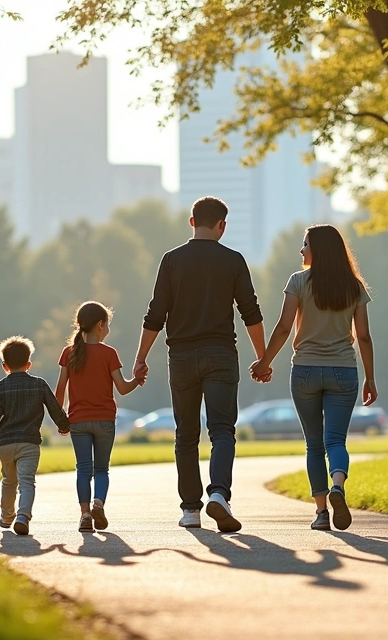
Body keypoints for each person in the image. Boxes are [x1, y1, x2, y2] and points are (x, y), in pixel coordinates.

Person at [134, 196, 267, 533]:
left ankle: (190, 509)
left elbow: (156, 314)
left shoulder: (171, 260)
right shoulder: (233, 260)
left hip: (180, 357)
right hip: (222, 354)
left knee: (186, 434)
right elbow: (250, 311)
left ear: (191, 222)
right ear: (222, 226)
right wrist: (262, 358)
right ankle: (219, 494)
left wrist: (140, 359)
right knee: (222, 430)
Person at [251, 224, 376, 531]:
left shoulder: (298, 281)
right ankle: (338, 485)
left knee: (313, 445)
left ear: (317, 249)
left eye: (305, 244)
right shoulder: (354, 287)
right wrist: (370, 378)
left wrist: (264, 362)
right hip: (344, 371)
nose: (301, 250)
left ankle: (321, 513)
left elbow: (282, 328)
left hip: (305, 370)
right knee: (336, 440)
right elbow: (364, 337)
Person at [54, 301, 147, 533]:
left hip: (78, 421)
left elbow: (60, 389)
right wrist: (137, 379)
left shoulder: (69, 353)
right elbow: (123, 388)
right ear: (100, 325)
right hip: (105, 420)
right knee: (102, 469)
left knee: (83, 469)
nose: (108, 330)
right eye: (108, 325)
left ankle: (85, 515)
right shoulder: (109, 353)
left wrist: (60, 419)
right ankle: (99, 503)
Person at [0, 336, 71, 536]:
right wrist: (64, 425)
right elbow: (54, 408)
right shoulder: (39, 385)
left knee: (8, 481)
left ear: (5, 366)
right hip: (29, 443)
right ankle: (23, 516)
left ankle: (6, 516)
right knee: (27, 481)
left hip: (5, 443)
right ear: (29, 364)